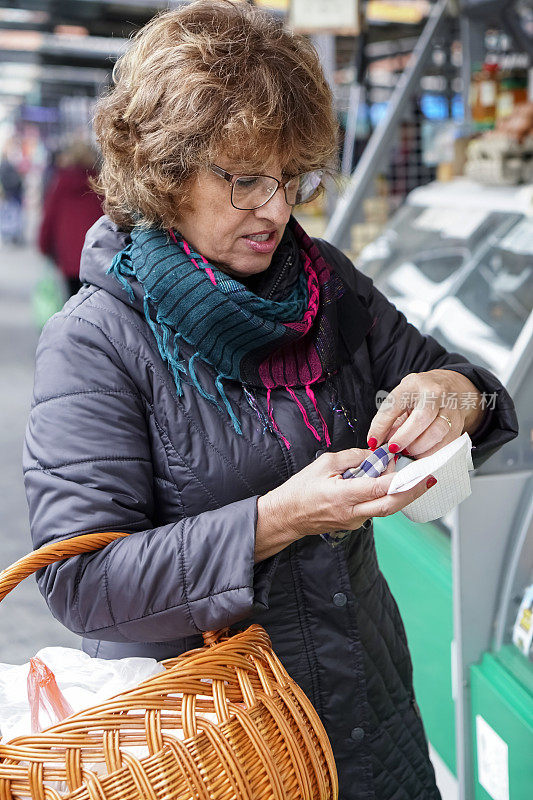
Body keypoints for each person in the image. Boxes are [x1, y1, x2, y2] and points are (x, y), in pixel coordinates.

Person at [23, 3, 518, 798]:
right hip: (218, 747)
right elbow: (81, 583)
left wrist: (451, 395)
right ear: (167, 167)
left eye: (292, 178)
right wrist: (275, 519)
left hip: (369, 711)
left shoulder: (326, 284)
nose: (277, 209)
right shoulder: (98, 338)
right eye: (245, 179)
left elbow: (465, 387)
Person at [38, 142, 102, 297]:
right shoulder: (99, 184)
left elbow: (49, 217)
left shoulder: (60, 183)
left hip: (68, 254)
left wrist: (44, 246)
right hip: (96, 252)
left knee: (73, 298)